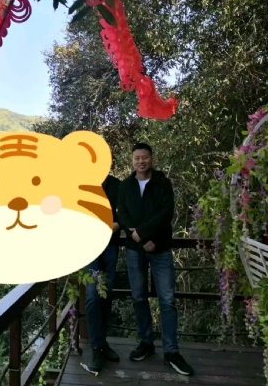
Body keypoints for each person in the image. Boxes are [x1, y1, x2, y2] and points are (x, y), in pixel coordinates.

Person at [116, 142, 194, 376]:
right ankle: (146, 343)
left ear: (151, 158)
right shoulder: (126, 186)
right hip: (134, 250)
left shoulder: (162, 183)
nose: (141, 161)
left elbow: (165, 213)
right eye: (137, 158)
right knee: (139, 297)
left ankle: (171, 352)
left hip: (160, 249)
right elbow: (123, 213)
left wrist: (147, 236)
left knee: (167, 300)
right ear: (132, 160)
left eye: (145, 157)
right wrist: (140, 239)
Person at [84, 174, 122, 373]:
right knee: (93, 296)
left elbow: (125, 214)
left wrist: (115, 226)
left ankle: (102, 343)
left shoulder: (117, 185)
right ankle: (95, 348)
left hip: (110, 246)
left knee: (106, 295)